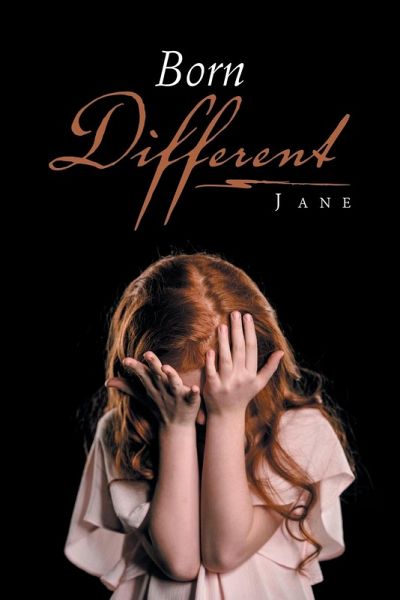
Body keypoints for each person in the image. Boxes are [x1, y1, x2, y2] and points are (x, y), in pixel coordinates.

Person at [65, 252, 355, 599]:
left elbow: (224, 552)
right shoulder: (123, 431)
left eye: (216, 396)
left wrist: (226, 414)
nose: (200, 414)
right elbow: (179, 562)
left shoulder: (299, 430)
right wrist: (175, 427)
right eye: (184, 396)